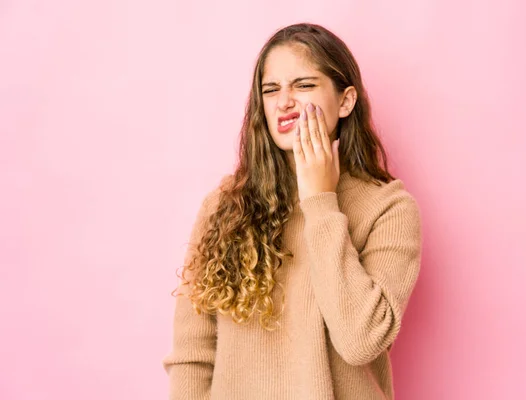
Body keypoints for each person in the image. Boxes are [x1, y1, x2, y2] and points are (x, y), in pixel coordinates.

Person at [162, 22, 422, 400]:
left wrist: (320, 201)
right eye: (271, 90)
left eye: (303, 85)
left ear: (346, 101)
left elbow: (361, 342)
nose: (284, 101)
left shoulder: (390, 210)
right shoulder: (223, 206)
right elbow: (193, 356)